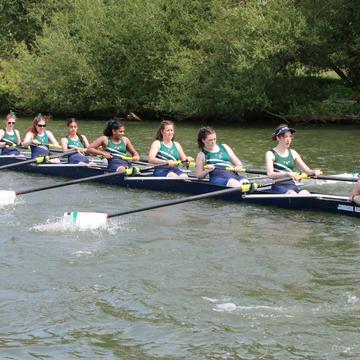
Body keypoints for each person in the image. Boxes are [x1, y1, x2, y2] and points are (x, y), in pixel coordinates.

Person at [265, 123, 321, 194]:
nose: (288, 140)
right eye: (285, 137)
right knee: (292, 193)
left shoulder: (293, 153)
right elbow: (270, 174)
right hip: (278, 186)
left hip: (292, 185)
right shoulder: (270, 153)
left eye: (290, 137)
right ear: (278, 138)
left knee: (305, 193)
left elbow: (307, 170)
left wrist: (313, 172)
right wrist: (288, 174)